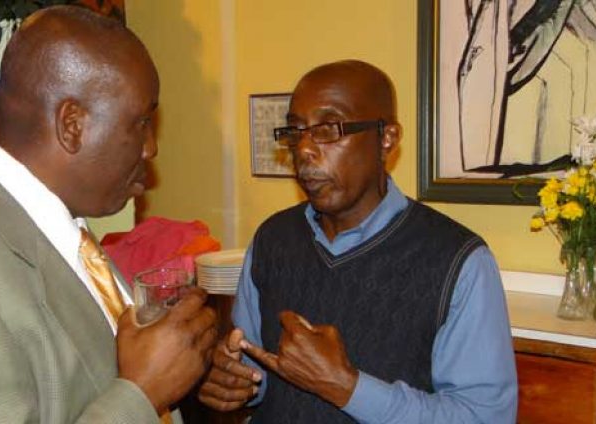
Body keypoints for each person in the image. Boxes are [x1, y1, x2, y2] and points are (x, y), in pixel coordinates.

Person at [0, 6, 217, 424]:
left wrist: (190, 373)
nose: (150, 148)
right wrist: (140, 394)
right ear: (72, 124)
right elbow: (133, 389)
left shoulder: (71, 240)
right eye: (140, 121)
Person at [198, 60, 517, 423]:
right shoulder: (272, 240)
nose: (303, 149)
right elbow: (258, 375)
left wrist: (348, 388)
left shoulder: (459, 263)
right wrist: (237, 385)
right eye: (296, 131)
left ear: (386, 139)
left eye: (329, 129)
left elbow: (484, 417)